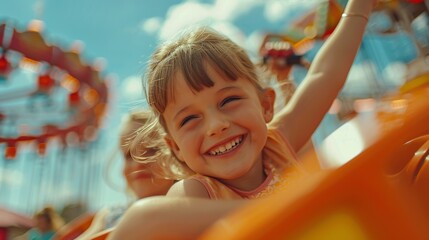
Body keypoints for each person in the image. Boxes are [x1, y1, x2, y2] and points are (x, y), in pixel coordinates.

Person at [108, 0, 378, 239]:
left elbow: (324, 75)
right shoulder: (197, 193)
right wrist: (286, 206)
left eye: (228, 101)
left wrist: (360, 7)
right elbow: (142, 222)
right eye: (189, 119)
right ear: (175, 147)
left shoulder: (278, 145)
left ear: (265, 105)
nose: (216, 125)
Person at [59, 110, 186, 240]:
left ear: (175, 153)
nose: (138, 163)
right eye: (128, 156)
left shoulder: (187, 207)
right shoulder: (110, 216)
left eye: (151, 150)